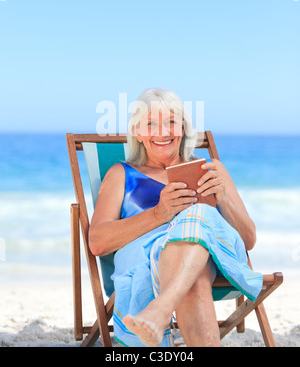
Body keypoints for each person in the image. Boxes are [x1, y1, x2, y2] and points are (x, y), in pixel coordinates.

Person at [89, 87, 262, 347]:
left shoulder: (211, 171)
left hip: (215, 259)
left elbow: (247, 240)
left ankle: (160, 309)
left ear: (183, 128)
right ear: (137, 132)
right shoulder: (120, 174)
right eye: (150, 124)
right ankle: (161, 309)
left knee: (198, 216)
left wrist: (222, 198)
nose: (163, 132)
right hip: (156, 261)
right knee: (195, 273)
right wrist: (160, 213)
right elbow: (98, 243)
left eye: (171, 122)